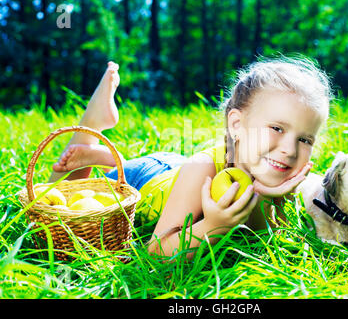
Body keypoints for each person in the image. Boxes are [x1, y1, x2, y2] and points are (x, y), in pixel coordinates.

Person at [49, 56, 332, 260]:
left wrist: (262, 195)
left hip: (176, 170)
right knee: (55, 200)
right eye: (277, 128)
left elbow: (260, 239)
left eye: (305, 139)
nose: (290, 149)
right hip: (146, 178)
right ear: (237, 125)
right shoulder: (203, 169)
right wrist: (214, 225)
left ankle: (114, 159)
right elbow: (157, 252)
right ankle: (92, 123)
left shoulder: (281, 174)